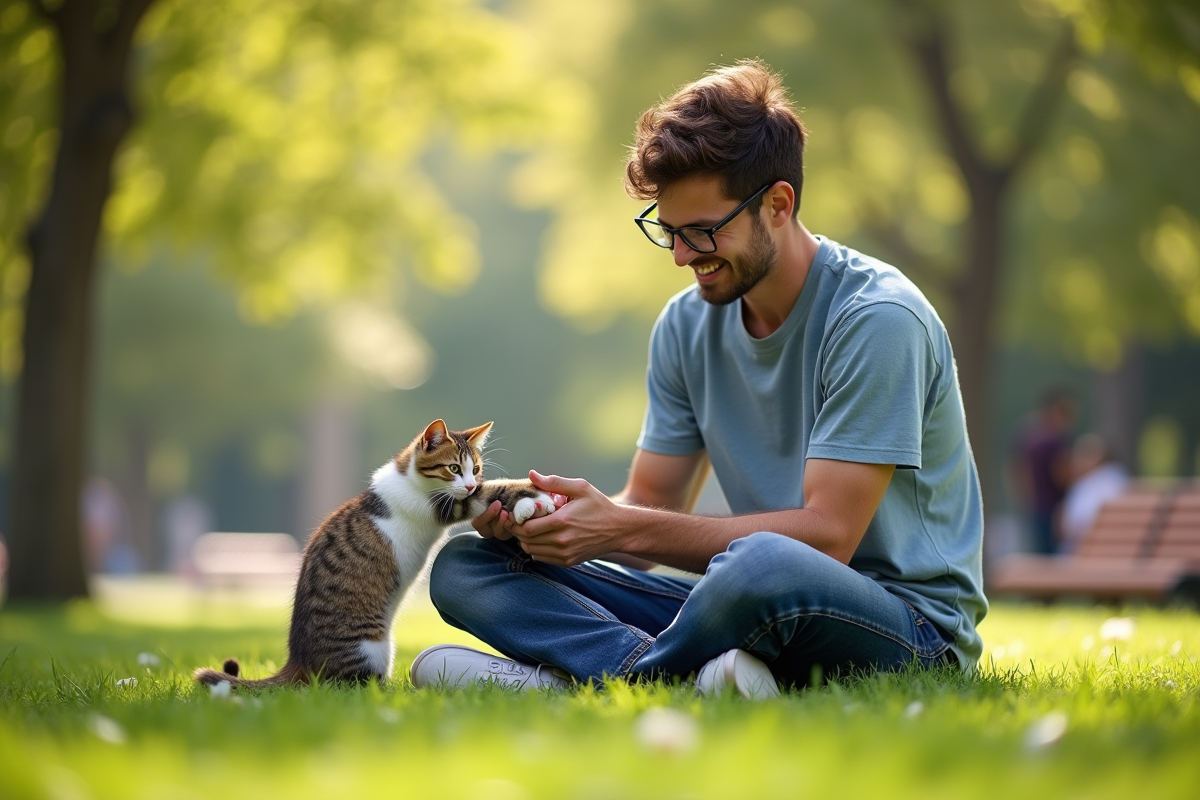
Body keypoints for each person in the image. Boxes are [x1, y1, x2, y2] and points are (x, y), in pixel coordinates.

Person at [411, 59, 987, 697]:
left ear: (777, 204)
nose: (683, 255)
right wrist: (561, 523)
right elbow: (649, 511)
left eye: (703, 231)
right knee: (470, 565)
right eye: (668, 231)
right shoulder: (687, 325)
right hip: (745, 601)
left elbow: (827, 540)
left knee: (761, 564)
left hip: (906, 629)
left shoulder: (877, 319)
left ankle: (592, 679)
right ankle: (681, 676)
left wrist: (625, 527)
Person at [1010, 389, 1077, 554]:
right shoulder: (1055, 438)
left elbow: (1017, 471)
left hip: (1035, 506)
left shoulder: (1027, 434)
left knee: (1038, 553)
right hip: (1055, 509)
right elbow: (1062, 476)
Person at [1059, 433, 1131, 552]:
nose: (1078, 460)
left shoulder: (1111, 479)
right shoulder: (1083, 483)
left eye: (1086, 454)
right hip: (1078, 550)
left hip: (1098, 549)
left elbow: (1088, 519)